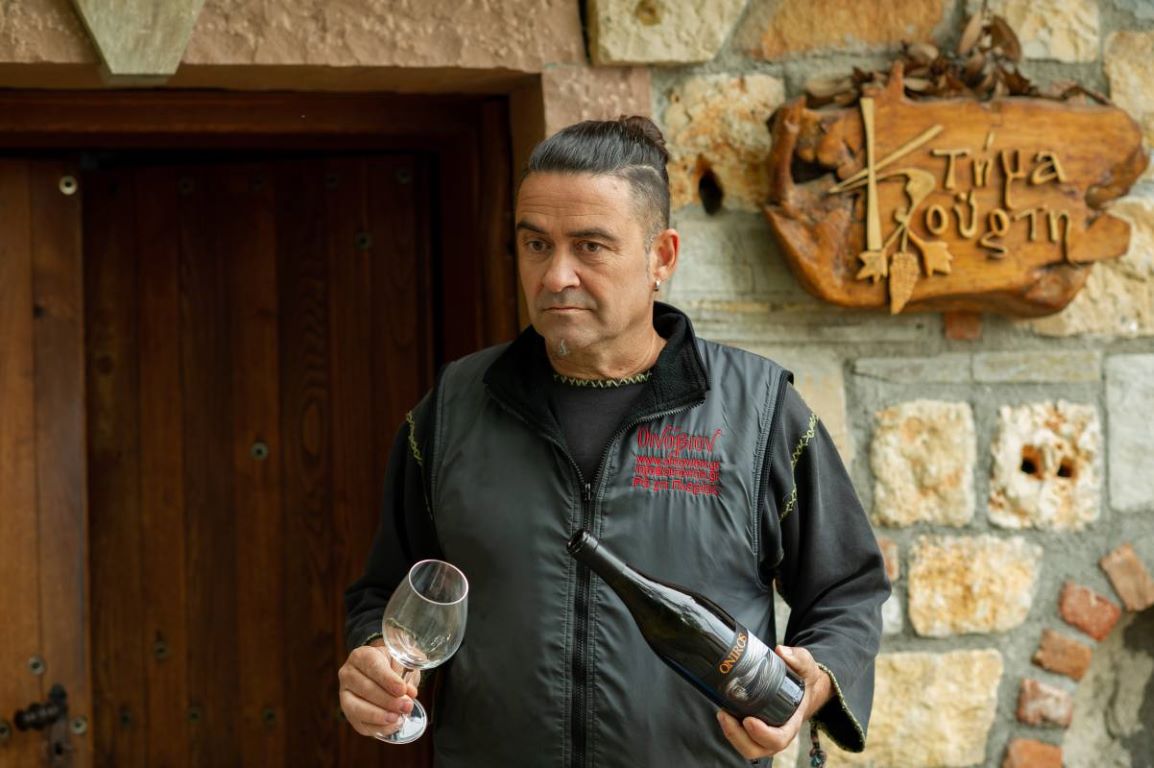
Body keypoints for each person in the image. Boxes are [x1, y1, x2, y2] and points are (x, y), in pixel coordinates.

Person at [339, 116, 890, 767]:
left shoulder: (759, 411)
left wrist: (812, 681)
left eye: (591, 246)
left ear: (662, 257)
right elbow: (386, 591)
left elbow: (846, 590)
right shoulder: (452, 408)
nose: (555, 276)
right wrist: (374, 657)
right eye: (536, 244)